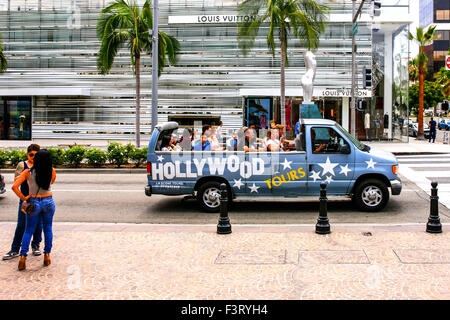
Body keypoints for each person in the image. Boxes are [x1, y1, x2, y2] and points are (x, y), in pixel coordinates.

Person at [12, 150, 56, 271]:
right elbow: (51, 182)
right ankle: (47, 255)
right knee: (47, 228)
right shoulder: (51, 170)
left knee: (28, 230)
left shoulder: (28, 172)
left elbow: (14, 187)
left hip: (34, 201)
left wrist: (24, 197)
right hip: (48, 201)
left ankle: (23, 257)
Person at [3, 144, 43, 261]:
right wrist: (23, 197)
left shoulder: (40, 165)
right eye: (31, 155)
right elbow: (16, 183)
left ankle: (36, 245)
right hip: (26, 200)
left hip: (38, 199)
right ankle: (15, 249)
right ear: (27, 154)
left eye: (36, 156)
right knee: (21, 224)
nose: (33, 158)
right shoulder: (22, 165)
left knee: (38, 224)